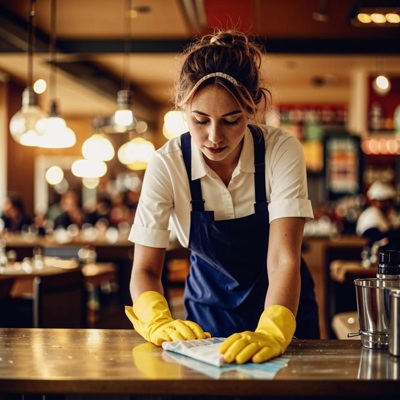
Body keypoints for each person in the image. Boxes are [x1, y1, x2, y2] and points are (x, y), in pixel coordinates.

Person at [125, 29, 319, 365]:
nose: (214, 137)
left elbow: (283, 259)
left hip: (285, 315)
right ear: (183, 109)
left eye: (231, 120)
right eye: (200, 120)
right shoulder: (167, 164)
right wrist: (158, 321)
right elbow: (144, 269)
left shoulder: (280, 150)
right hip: (204, 326)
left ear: (252, 108)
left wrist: (273, 330)